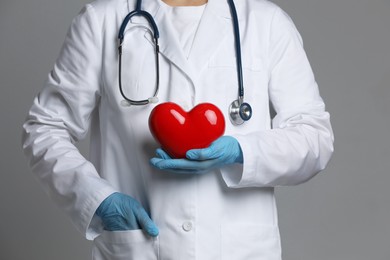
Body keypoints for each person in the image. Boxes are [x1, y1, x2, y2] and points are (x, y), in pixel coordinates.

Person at [22, 0, 334, 259]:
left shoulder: (266, 23)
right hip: (140, 247)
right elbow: (45, 127)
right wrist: (98, 199)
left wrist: (241, 151)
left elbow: (314, 135)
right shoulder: (103, 20)